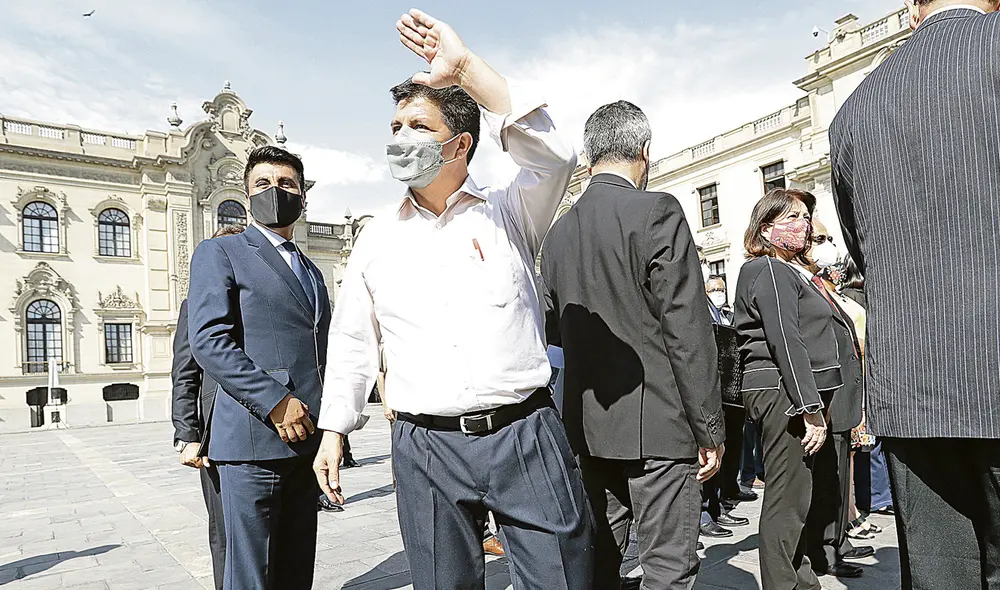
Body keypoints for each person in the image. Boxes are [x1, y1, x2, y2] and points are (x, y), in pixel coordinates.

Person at [313, 10, 592, 589]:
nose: (400, 138)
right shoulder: (376, 236)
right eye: (396, 126)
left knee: (561, 579)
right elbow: (351, 339)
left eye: (418, 125)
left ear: (460, 144)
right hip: (425, 446)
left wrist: (465, 68)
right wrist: (335, 428)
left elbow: (556, 157)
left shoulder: (508, 213)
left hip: (524, 435)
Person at [830, 1, 1000, 587]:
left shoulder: (855, 109)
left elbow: (862, 251)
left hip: (912, 381)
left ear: (913, 14)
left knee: (939, 574)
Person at [540, 100, 725, 589]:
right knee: (668, 566)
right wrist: (708, 426)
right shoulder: (657, 210)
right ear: (645, 152)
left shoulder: (557, 234)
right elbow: (687, 330)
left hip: (589, 428)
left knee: (600, 562)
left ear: (589, 155)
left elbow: (553, 333)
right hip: (660, 426)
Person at [188, 146, 331, 590]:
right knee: (251, 574)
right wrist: (274, 401)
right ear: (248, 196)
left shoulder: (311, 269)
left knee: (295, 568)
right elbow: (209, 340)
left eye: (287, 184)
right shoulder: (221, 252)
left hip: (305, 441)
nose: (276, 192)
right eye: (263, 184)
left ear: (303, 196)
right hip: (251, 442)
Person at [733, 188, 838, 590]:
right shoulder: (770, 269)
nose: (803, 224)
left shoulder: (785, 270)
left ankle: (801, 581)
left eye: (804, 217)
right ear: (765, 229)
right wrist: (809, 405)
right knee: (787, 499)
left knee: (797, 495)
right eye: (791, 217)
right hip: (781, 391)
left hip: (784, 390)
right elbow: (785, 339)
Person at [798, 220, 873, 579]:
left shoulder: (824, 287)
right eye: (820, 239)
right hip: (826, 402)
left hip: (843, 401)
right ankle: (825, 550)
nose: (827, 246)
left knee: (840, 478)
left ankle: (838, 542)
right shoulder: (802, 284)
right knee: (828, 481)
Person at [171, 224, 244, 590]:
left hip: (262, 427)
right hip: (214, 434)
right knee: (225, 531)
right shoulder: (194, 304)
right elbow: (185, 372)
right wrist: (188, 434)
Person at [701, 275, 752, 540]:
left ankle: (716, 506)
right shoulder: (701, 305)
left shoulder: (722, 312)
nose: (719, 293)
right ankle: (705, 514)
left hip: (725, 389)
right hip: (710, 388)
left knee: (724, 449)